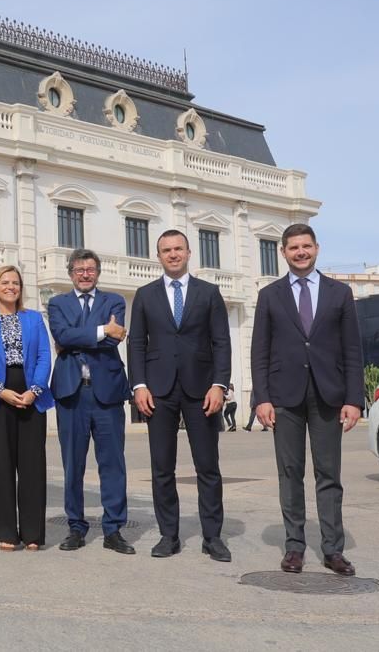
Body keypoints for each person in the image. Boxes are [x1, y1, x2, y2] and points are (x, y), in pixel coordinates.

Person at [250, 223, 364, 576]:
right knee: (290, 473)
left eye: (306, 246)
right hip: (284, 397)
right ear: (282, 252)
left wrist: (354, 398)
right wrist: (261, 398)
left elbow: (351, 349)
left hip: (328, 395)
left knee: (329, 474)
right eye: (293, 247)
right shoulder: (269, 295)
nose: (300, 252)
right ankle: (294, 547)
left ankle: (333, 549)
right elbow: (260, 351)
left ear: (317, 248)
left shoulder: (339, 293)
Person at [128, 229, 232, 562]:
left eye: (178, 249)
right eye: (165, 250)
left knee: (208, 466)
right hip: (157, 392)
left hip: (202, 390)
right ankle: (168, 535)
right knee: (162, 467)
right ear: (157, 256)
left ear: (188, 253)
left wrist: (220, 384)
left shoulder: (209, 293)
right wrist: (139, 385)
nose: (172, 254)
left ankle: (212, 536)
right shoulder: (144, 295)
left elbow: (221, 342)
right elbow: (136, 344)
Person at [48, 249, 134, 555]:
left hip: (107, 393)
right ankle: (76, 526)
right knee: (73, 464)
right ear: (70, 272)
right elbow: (61, 334)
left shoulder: (114, 301)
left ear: (98, 272)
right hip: (72, 393)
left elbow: (115, 338)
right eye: (79, 269)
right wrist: (100, 330)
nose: (85, 274)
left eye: (90, 269)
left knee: (112, 464)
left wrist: (79, 336)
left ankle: (113, 529)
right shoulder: (57, 303)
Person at [0, 265, 52, 551]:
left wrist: (35, 390)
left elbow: (44, 356)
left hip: (30, 394)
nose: (10, 287)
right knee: (1, 466)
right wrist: (0, 390)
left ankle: (32, 534)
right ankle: (5, 531)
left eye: (15, 282)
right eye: (4, 282)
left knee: (32, 467)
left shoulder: (34, 319)